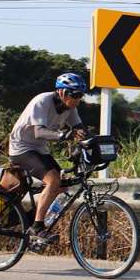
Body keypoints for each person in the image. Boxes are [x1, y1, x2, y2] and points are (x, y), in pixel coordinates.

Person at [8, 72, 89, 251]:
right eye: (74, 95)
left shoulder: (70, 108)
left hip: (39, 149)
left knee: (62, 186)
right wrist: (64, 135)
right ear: (61, 92)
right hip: (22, 148)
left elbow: (80, 130)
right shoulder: (42, 101)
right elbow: (39, 132)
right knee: (53, 180)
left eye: (80, 96)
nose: (77, 100)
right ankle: (37, 226)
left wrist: (93, 141)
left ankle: (29, 219)